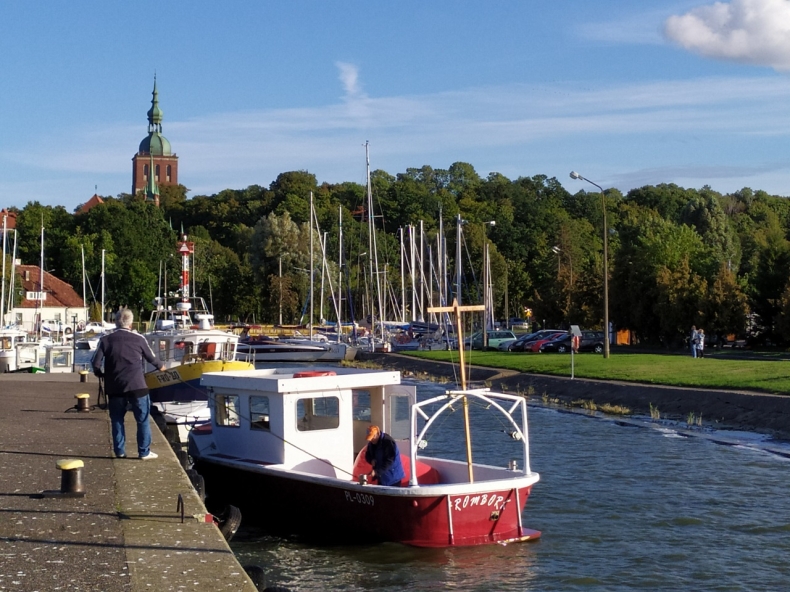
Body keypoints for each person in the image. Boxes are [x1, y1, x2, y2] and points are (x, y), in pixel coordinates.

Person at [92, 309, 165, 460]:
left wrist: (101, 374)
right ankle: (143, 452)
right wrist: (162, 368)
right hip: (137, 385)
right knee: (142, 419)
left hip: (115, 387)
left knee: (117, 420)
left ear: (116, 321)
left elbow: (95, 363)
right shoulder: (139, 339)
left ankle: (120, 451)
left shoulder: (106, 339)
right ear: (131, 323)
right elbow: (152, 358)